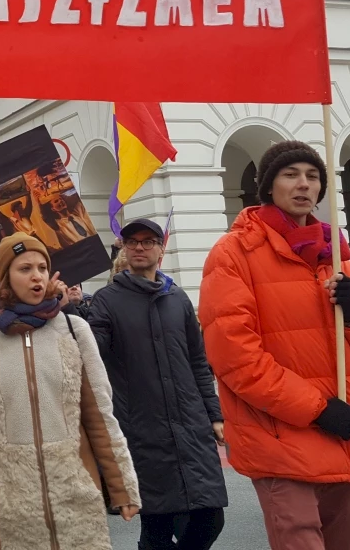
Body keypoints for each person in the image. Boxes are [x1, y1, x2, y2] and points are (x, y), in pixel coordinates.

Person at [199, 140, 350, 550]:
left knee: (345, 532)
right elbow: (235, 357)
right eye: (291, 175)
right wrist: (317, 410)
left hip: (342, 429)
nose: (304, 184)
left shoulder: (339, 260)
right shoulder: (233, 253)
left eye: (313, 176)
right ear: (268, 186)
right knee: (299, 538)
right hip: (279, 431)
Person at [0, 232, 141, 549]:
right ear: (6, 276)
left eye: (42, 267)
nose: (36, 275)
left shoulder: (74, 330)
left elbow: (100, 415)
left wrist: (121, 485)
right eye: (25, 268)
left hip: (73, 487)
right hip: (10, 496)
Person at [91, 217, 228, 550]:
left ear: (160, 250)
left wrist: (214, 414)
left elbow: (198, 361)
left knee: (210, 519)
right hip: (141, 429)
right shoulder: (106, 301)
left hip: (190, 425)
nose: (140, 247)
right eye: (133, 241)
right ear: (123, 249)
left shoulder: (177, 299)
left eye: (148, 241)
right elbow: (92, 355)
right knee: (158, 522)